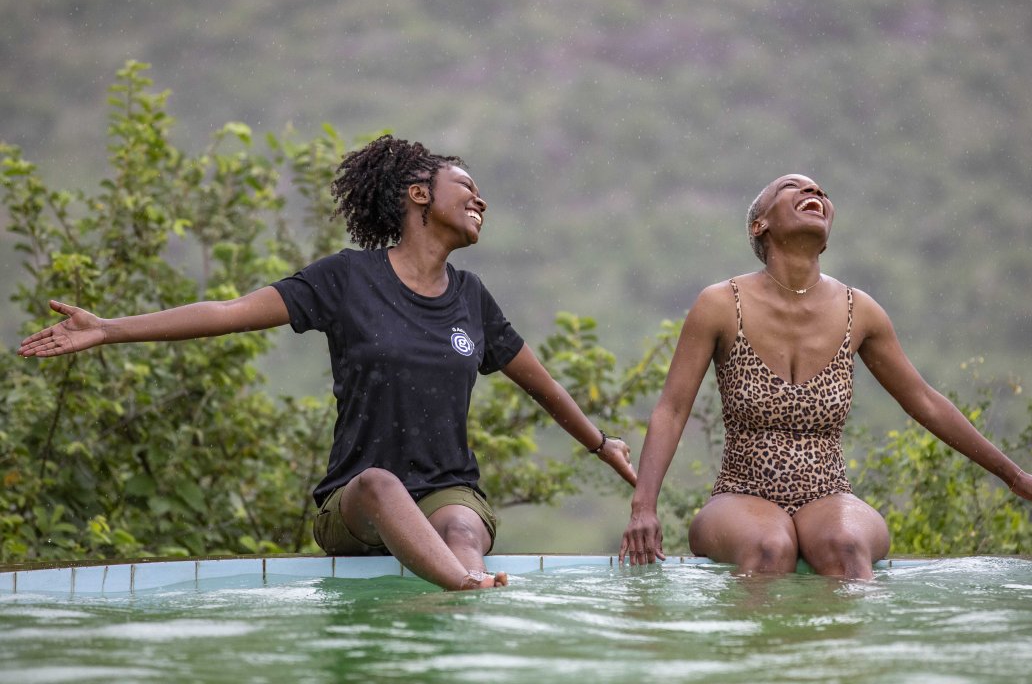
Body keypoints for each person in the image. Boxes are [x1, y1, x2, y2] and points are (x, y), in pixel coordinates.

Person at [19, 135, 637, 591]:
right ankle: (465, 588)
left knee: (463, 523)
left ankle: (470, 592)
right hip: (353, 502)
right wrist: (109, 329)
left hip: (446, 488)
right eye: (465, 186)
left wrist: (601, 442)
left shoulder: (472, 297)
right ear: (418, 195)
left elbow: (543, 385)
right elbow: (226, 311)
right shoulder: (346, 278)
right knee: (379, 483)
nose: (481, 198)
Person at [619, 173, 1032, 580]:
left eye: (819, 189)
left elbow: (923, 401)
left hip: (829, 495)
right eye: (793, 187)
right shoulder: (720, 304)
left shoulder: (857, 311)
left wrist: (1014, 475)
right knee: (769, 548)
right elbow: (672, 408)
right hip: (740, 496)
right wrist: (645, 507)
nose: (813, 190)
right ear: (759, 225)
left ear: (827, 235)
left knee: (846, 549)